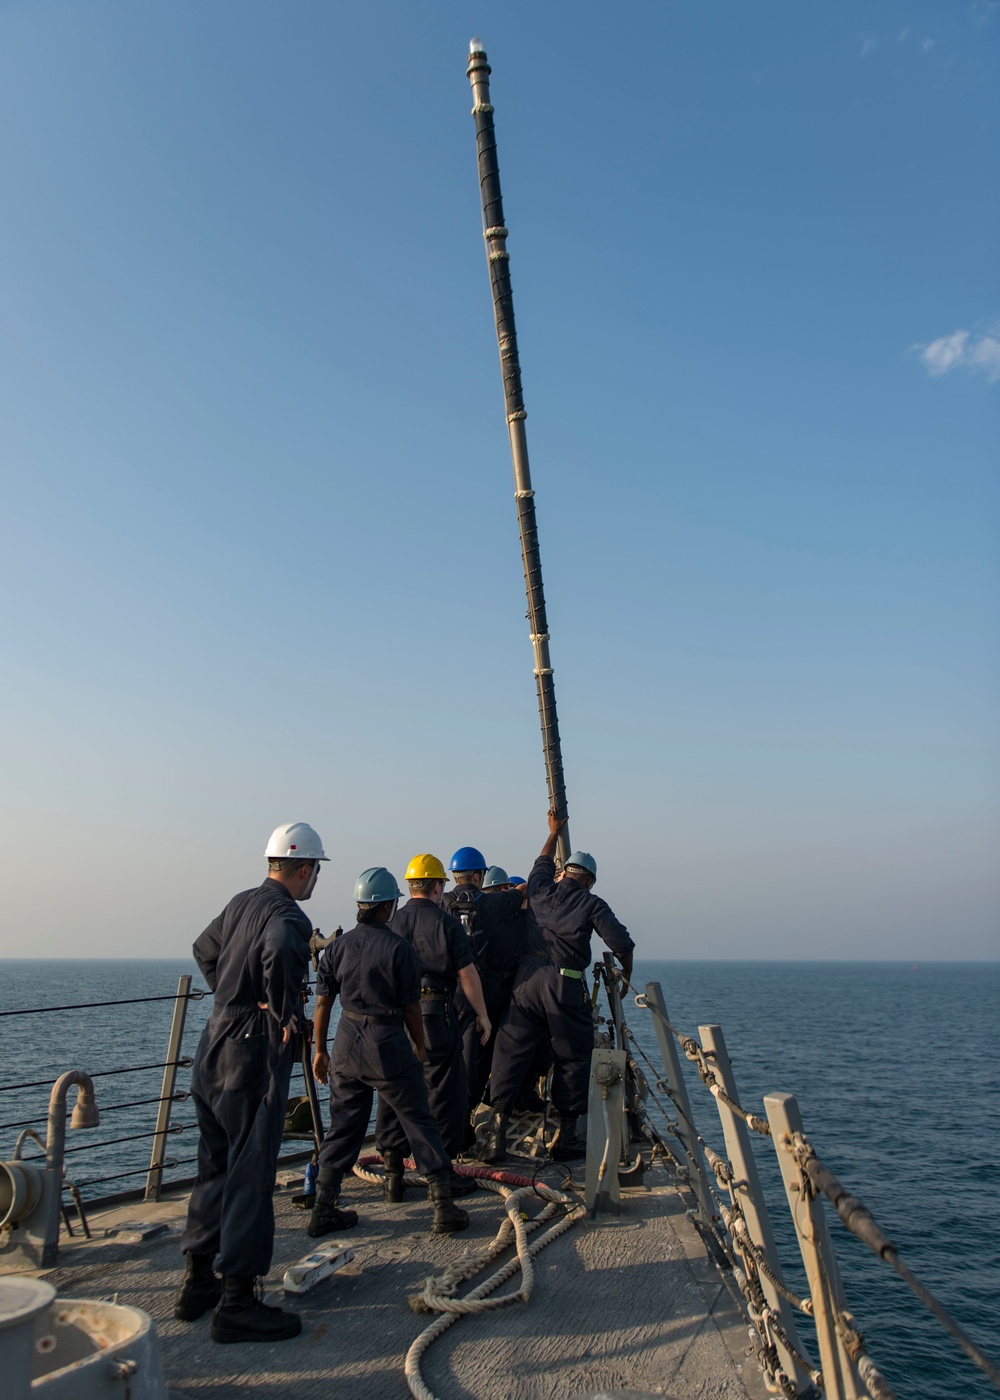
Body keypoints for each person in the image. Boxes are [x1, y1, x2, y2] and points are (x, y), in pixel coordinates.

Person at [174, 821, 328, 1344]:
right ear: (304, 868)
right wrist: (281, 1010)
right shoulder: (288, 914)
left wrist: (233, 996)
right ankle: (237, 1301)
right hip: (250, 1055)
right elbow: (283, 947)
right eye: (314, 872)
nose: (313, 882)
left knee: (213, 1163)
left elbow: (203, 948)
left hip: (212, 1044)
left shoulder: (240, 902)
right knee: (250, 1169)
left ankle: (198, 1283)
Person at [308, 866, 470, 1235]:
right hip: (387, 1043)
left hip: (346, 1042)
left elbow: (322, 1005)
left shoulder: (337, 947)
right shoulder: (400, 949)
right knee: (418, 1120)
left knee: (344, 1126)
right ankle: (444, 1207)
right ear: (386, 906)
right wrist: (419, 1045)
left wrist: (321, 1051)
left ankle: (323, 1207)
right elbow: (412, 1008)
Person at [481, 812, 634, 1164]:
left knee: (509, 1053)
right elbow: (621, 943)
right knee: (572, 1057)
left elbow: (542, 860)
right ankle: (566, 1137)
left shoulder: (539, 889)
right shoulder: (592, 904)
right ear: (590, 881)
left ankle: (496, 1136)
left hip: (525, 984)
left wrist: (553, 832)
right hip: (563, 986)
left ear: (564, 874)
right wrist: (624, 975)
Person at [375, 854, 491, 1192]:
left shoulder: (391, 922)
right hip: (434, 1013)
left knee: (394, 1088)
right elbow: (467, 974)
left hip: (395, 1018)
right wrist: (482, 1016)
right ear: (438, 886)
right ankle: (440, 1172)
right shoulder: (447, 924)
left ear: (410, 886)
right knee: (443, 1089)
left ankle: (394, 1172)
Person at [451, 864, 528, 1111]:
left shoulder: (446, 905)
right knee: (484, 1055)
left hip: (451, 992)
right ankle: (476, 1109)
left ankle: (462, 1112)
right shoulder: (498, 911)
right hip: (487, 993)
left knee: (464, 1055)